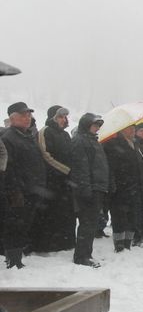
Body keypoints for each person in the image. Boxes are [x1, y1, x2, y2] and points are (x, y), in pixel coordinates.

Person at [2, 102, 47, 268]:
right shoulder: (8, 138)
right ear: (12, 118)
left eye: (29, 115)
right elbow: (9, 168)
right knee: (15, 226)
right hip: (18, 193)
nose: (27, 118)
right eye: (23, 115)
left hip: (31, 190)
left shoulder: (28, 136)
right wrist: (15, 192)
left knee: (24, 225)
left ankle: (17, 257)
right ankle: (12, 261)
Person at [68, 113, 109, 267]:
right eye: (94, 125)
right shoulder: (80, 141)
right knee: (87, 223)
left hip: (96, 187)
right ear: (86, 125)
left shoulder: (93, 140)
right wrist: (85, 189)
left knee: (91, 223)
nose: (97, 128)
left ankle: (87, 253)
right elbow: (81, 168)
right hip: (88, 189)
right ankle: (81, 256)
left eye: (98, 125)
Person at [36, 105, 75, 252]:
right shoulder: (45, 131)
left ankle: (66, 243)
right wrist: (65, 170)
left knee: (66, 213)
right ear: (53, 117)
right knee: (51, 214)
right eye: (61, 117)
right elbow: (45, 155)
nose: (64, 120)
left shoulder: (65, 135)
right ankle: (49, 245)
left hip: (66, 182)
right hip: (51, 181)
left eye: (65, 117)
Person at [104, 125, 142, 252]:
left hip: (134, 186)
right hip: (120, 186)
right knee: (119, 216)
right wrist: (113, 183)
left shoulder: (135, 144)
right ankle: (119, 244)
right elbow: (111, 166)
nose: (133, 131)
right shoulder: (113, 144)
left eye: (134, 128)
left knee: (132, 216)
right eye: (129, 128)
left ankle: (128, 243)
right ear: (121, 129)